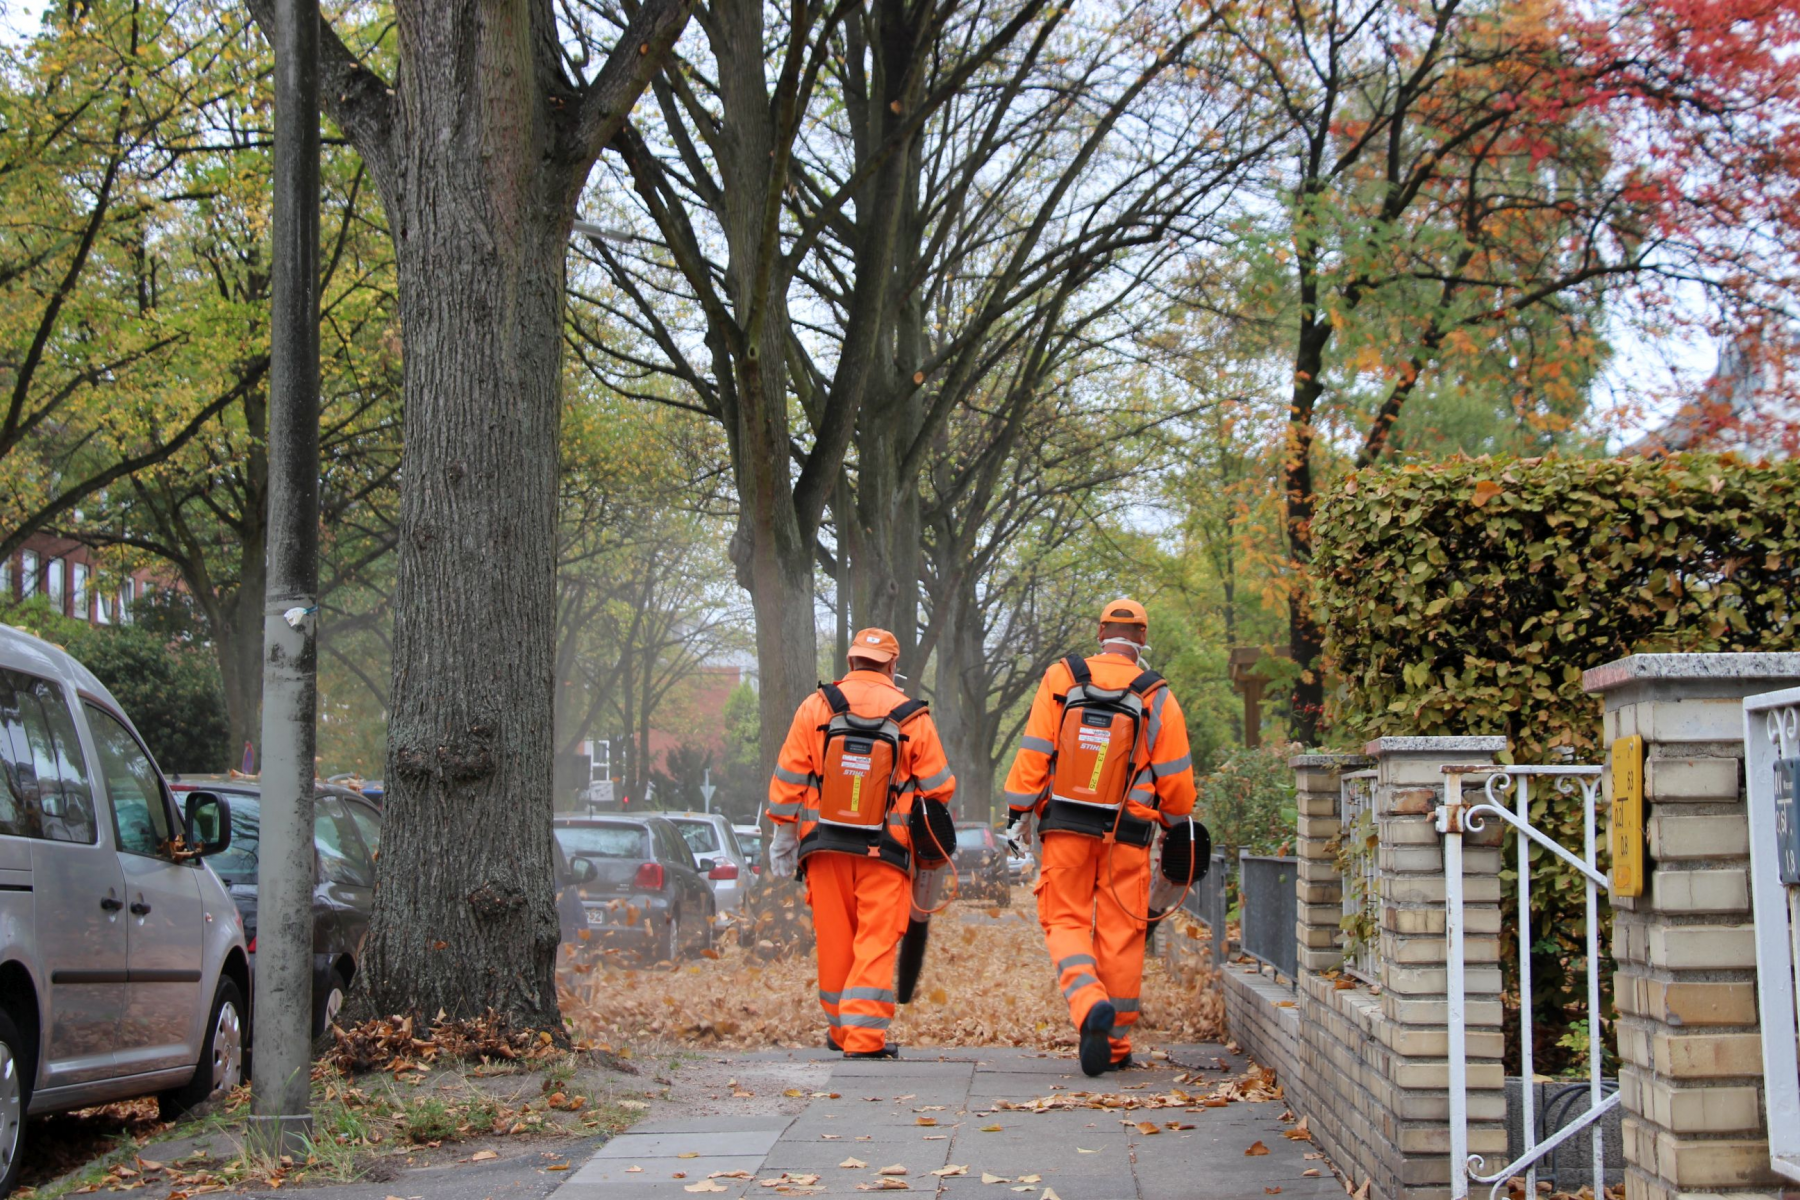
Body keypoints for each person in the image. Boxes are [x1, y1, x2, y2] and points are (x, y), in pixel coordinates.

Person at [1002, 598, 1197, 1076]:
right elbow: (1176, 784)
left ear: (1100, 632)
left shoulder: (1062, 678)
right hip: (1127, 836)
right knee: (1121, 932)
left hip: (1065, 824)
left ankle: (1089, 1003)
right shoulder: (1157, 695)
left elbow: (1034, 751)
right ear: (1143, 639)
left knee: (1064, 919)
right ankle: (1114, 1043)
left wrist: (1017, 814)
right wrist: (1175, 826)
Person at [767, 628, 957, 1059]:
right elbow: (940, 787)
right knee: (875, 940)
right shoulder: (912, 716)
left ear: (851, 662)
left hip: (823, 848)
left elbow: (789, 777)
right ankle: (865, 1037)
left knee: (835, 939)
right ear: (893, 666)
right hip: (885, 854)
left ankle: (839, 1029)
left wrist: (782, 833)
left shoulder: (816, 706)